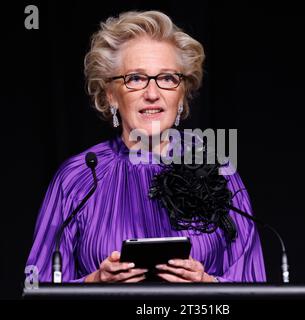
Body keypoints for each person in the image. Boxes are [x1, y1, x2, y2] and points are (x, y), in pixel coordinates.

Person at [26, 10, 266, 283]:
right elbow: (38, 288)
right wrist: (94, 283)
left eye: (166, 78)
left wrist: (207, 285)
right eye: (136, 79)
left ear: (182, 94)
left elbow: (253, 285)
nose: (152, 94)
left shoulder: (218, 171)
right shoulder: (77, 178)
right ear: (110, 95)